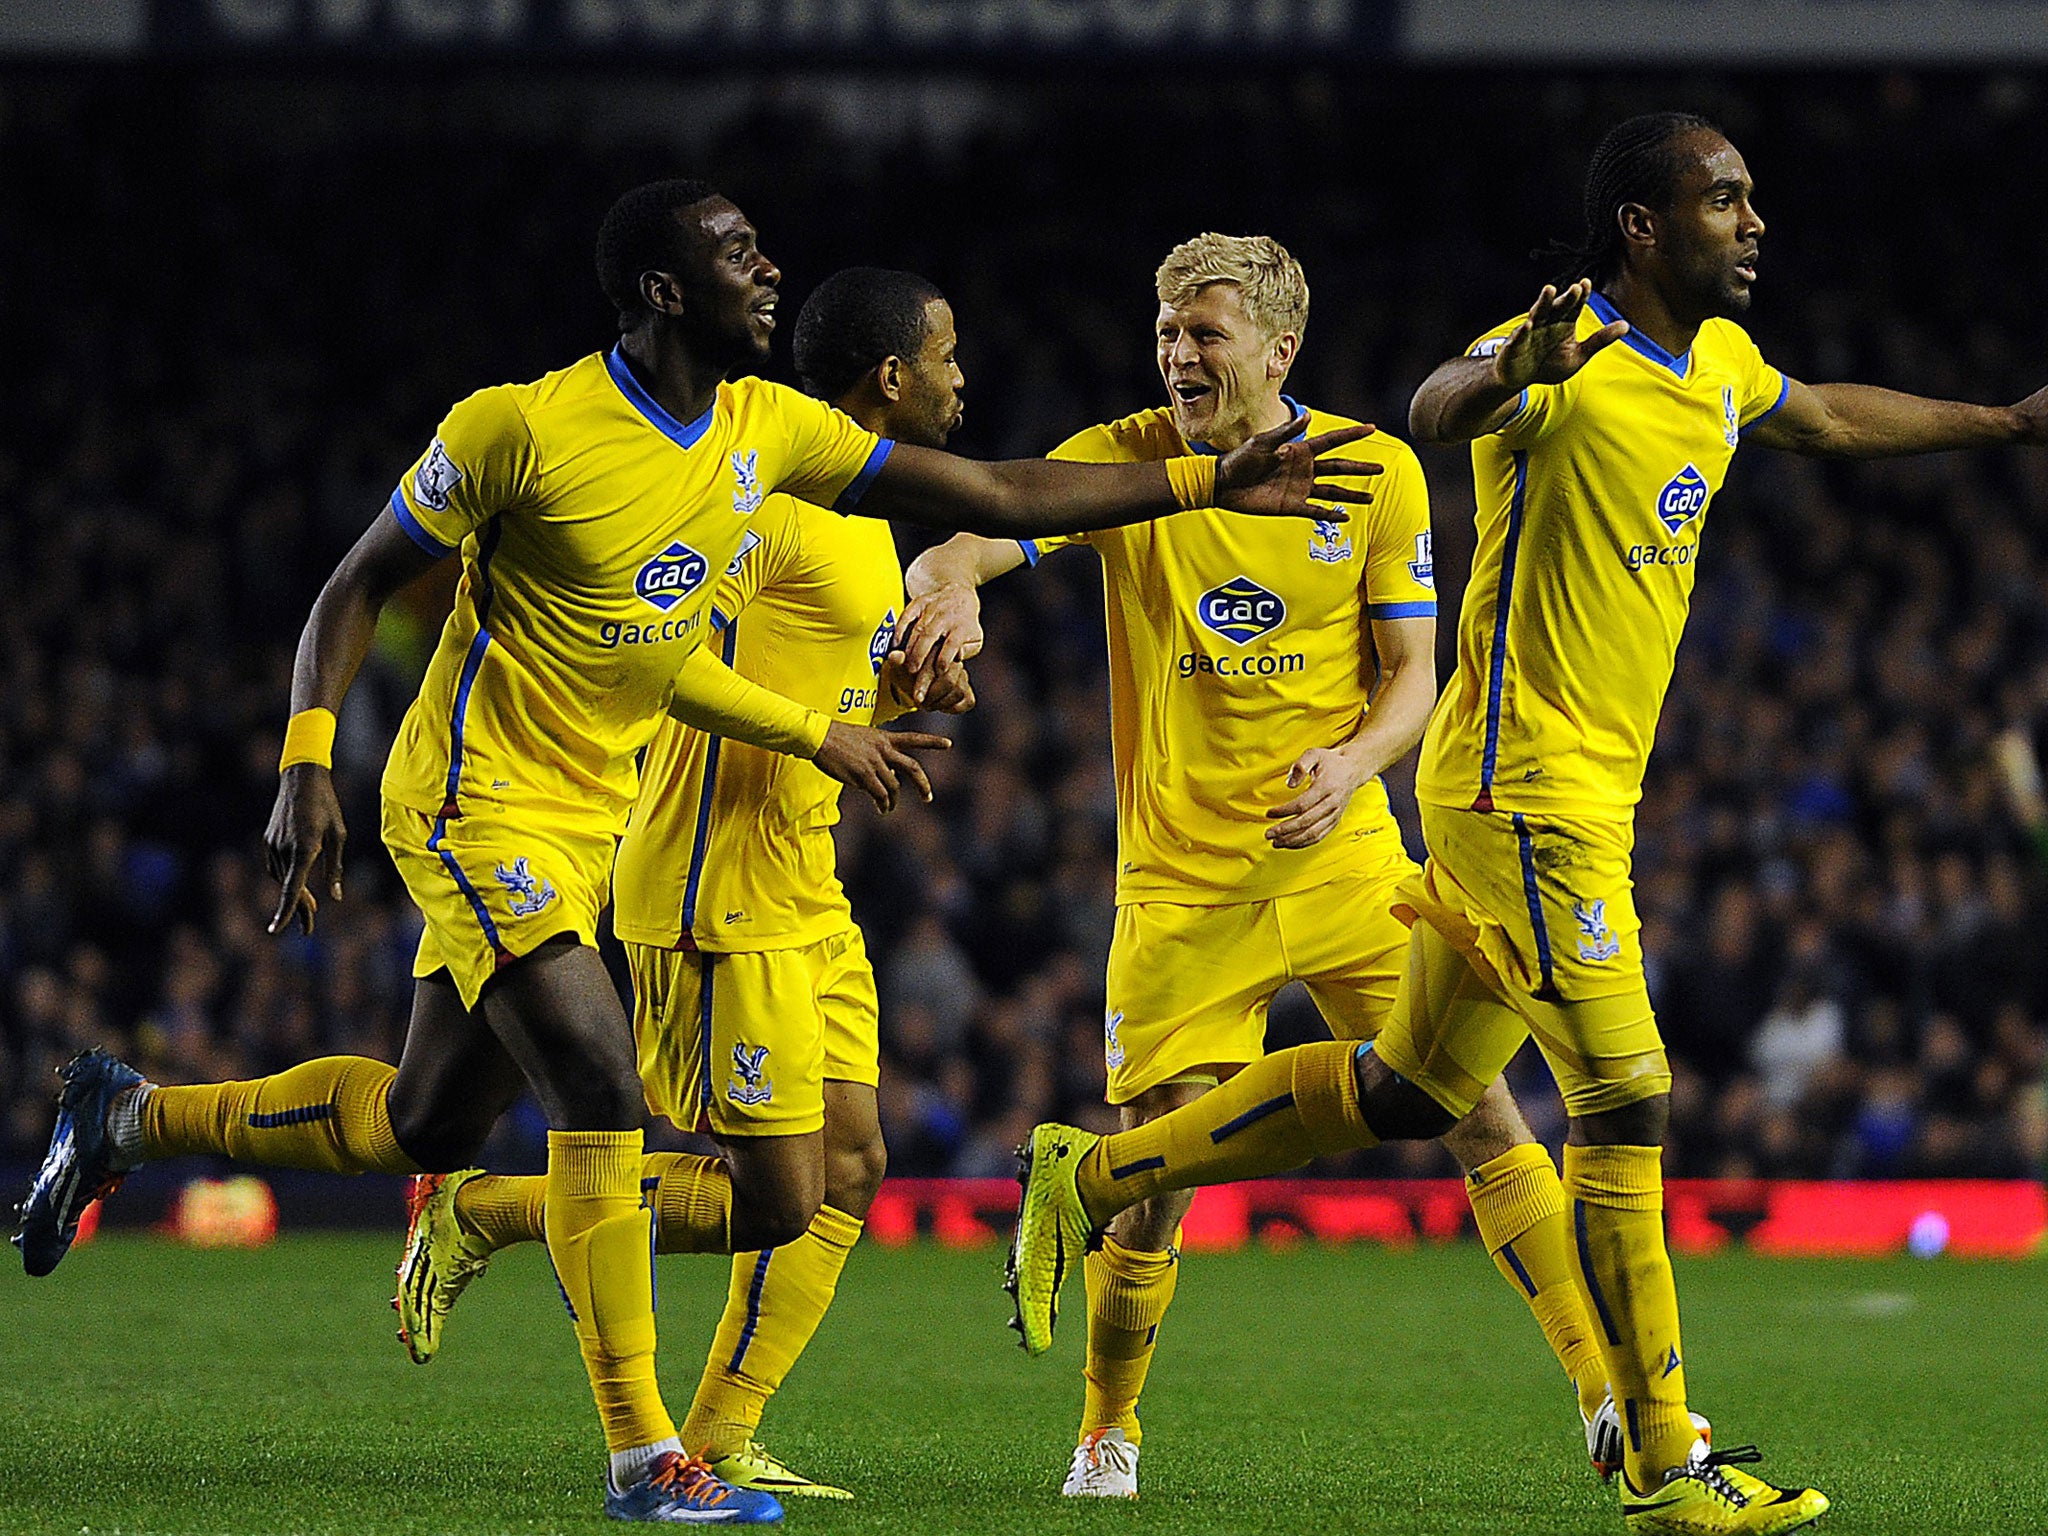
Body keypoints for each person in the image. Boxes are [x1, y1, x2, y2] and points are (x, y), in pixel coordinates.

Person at [13, 178, 1376, 1526]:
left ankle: (126, 1112)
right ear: (668, 290)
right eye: (736, 253)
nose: (766, 269)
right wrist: (309, 759)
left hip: (606, 823)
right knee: (611, 1090)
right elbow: (357, 584)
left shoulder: (758, 436)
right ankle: (646, 1454)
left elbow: (993, 495)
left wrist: (1195, 485)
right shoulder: (524, 431)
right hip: (495, 804)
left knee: (432, 1118)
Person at [1003, 113, 2048, 1535]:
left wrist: (2001, 423)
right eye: (1724, 200)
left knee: (1411, 1094)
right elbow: (1443, 406)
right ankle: (1666, 1460)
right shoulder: (1567, 356)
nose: (1754, 224)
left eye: (1752, 199)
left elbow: (1831, 415)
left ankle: (1103, 1169)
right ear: (1641, 223)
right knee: (1624, 1101)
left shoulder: (1721, 368)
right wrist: (1517, 366)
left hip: (1566, 797)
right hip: (1520, 796)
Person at [897, 233, 1610, 1500]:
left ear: (1279, 350)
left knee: (1479, 1111)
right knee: (1155, 1183)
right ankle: (1105, 1433)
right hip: (1180, 885)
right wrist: (943, 583)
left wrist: (1350, 767)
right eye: (1167, 330)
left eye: (1204, 332)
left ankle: (1605, 1390)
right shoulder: (1121, 463)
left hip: (1342, 862)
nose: (1177, 354)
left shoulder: (1372, 469)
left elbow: (1411, 680)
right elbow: (984, 532)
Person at [390, 267, 977, 1504]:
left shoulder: (858, 519)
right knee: (780, 1192)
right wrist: (820, 732)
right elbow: (665, 659)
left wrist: (895, 694)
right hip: (717, 884)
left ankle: (715, 1434)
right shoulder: (754, 503)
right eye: (946, 357)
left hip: (805, 881)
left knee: (854, 1167)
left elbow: (813, 672)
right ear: (888, 377)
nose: (961, 380)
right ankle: (489, 1211)